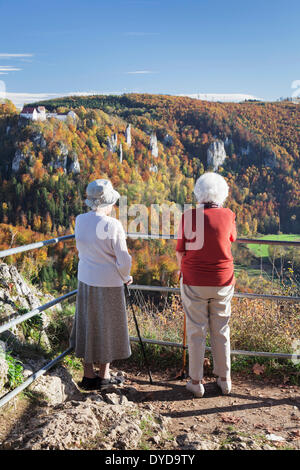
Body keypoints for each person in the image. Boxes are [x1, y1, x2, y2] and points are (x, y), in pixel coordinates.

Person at [176, 172, 237, 397]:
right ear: (222, 194)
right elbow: (230, 239)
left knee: (196, 330)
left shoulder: (188, 216)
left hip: (194, 281)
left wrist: (182, 272)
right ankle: (224, 379)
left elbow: (180, 250)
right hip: (223, 280)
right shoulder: (228, 215)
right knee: (221, 328)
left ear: (198, 193)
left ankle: (195, 381)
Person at [70, 179, 133, 390]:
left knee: (88, 323)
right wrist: (126, 277)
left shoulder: (80, 220)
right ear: (108, 202)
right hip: (109, 283)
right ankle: (104, 375)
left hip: (86, 280)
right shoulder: (113, 225)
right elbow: (123, 261)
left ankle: (88, 376)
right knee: (107, 326)